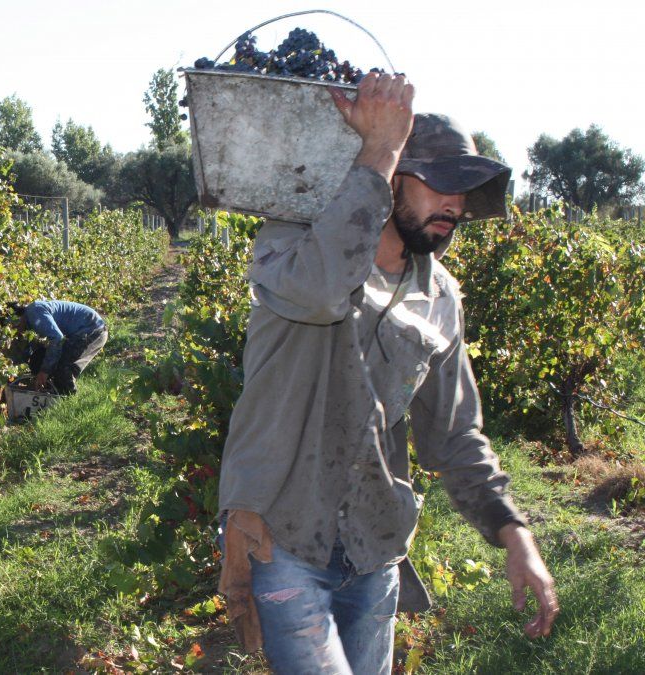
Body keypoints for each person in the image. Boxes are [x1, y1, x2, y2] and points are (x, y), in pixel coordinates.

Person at [216, 72, 559, 674]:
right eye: (439, 185)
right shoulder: (291, 245)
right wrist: (377, 147)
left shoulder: (440, 296)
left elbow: (454, 435)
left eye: (466, 192)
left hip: (375, 545)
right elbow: (323, 295)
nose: (454, 205)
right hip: (284, 535)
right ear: (391, 177)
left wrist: (514, 534)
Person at [11, 300, 108, 395]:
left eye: (13, 327)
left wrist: (44, 371)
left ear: (17, 318)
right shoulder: (29, 322)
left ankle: (68, 401)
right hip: (86, 330)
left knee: (63, 366)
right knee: (41, 359)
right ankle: (55, 395)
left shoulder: (34, 313)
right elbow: (27, 355)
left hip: (93, 329)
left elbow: (57, 339)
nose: (15, 331)